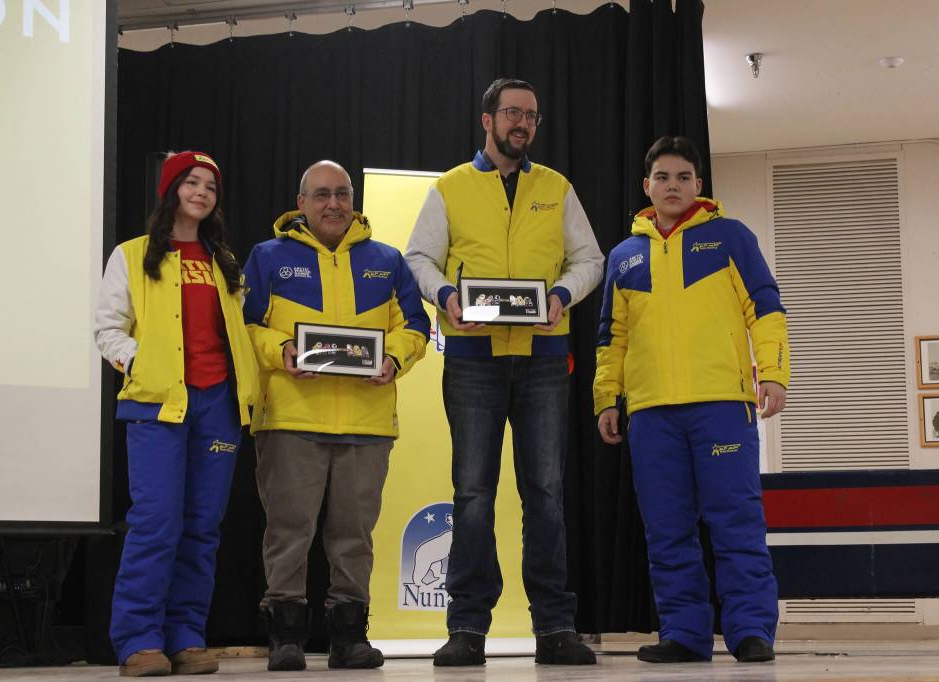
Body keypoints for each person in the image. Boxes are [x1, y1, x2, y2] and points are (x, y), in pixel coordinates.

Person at [405, 77, 604, 666]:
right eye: (512, 112)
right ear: (486, 120)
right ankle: (467, 628)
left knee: (544, 493)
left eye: (531, 116)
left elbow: (588, 258)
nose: (522, 123)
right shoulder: (450, 188)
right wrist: (444, 294)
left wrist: (564, 296)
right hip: (472, 362)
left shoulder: (557, 188)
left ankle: (554, 628)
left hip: (544, 360)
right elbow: (418, 257)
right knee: (472, 496)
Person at [594, 136, 790, 664]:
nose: (673, 186)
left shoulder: (730, 238)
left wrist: (773, 373)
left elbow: (766, 308)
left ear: (699, 186)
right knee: (666, 528)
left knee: (736, 521)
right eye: (663, 177)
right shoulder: (624, 256)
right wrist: (607, 398)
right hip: (652, 413)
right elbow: (612, 337)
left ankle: (752, 631)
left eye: (683, 177)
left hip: (722, 406)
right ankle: (683, 633)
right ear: (647, 186)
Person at [242, 161, 429, 672]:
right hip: (289, 419)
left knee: (354, 536)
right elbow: (246, 325)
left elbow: (415, 326)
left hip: (366, 425)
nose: (334, 204)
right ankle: (286, 639)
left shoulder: (388, 262)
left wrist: (393, 360)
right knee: (288, 531)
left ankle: (349, 639)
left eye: (342, 194)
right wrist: (280, 348)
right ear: (300, 202)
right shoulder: (267, 257)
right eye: (322, 194)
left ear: (353, 200)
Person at [94, 151, 259, 677]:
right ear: (171, 191)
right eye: (192, 182)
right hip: (158, 402)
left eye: (211, 185)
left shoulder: (225, 261)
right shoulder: (133, 254)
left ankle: (187, 636)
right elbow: (107, 329)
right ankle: (139, 641)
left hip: (218, 404)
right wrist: (141, 361)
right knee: (155, 522)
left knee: (202, 527)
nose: (202, 192)